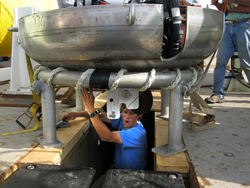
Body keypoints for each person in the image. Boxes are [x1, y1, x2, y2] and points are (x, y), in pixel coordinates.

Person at [62, 88, 153, 170]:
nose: (127, 117)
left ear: (139, 116)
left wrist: (90, 108)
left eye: (132, 113)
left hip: (132, 175)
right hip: (119, 169)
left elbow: (107, 136)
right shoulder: (123, 120)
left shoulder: (137, 133)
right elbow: (101, 116)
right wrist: (77, 114)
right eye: (125, 112)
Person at [205, 0, 250, 103]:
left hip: (244, 24)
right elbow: (224, 9)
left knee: (246, 63)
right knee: (221, 62)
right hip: (228, 25)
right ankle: (217, 94)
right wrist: (217, 3)